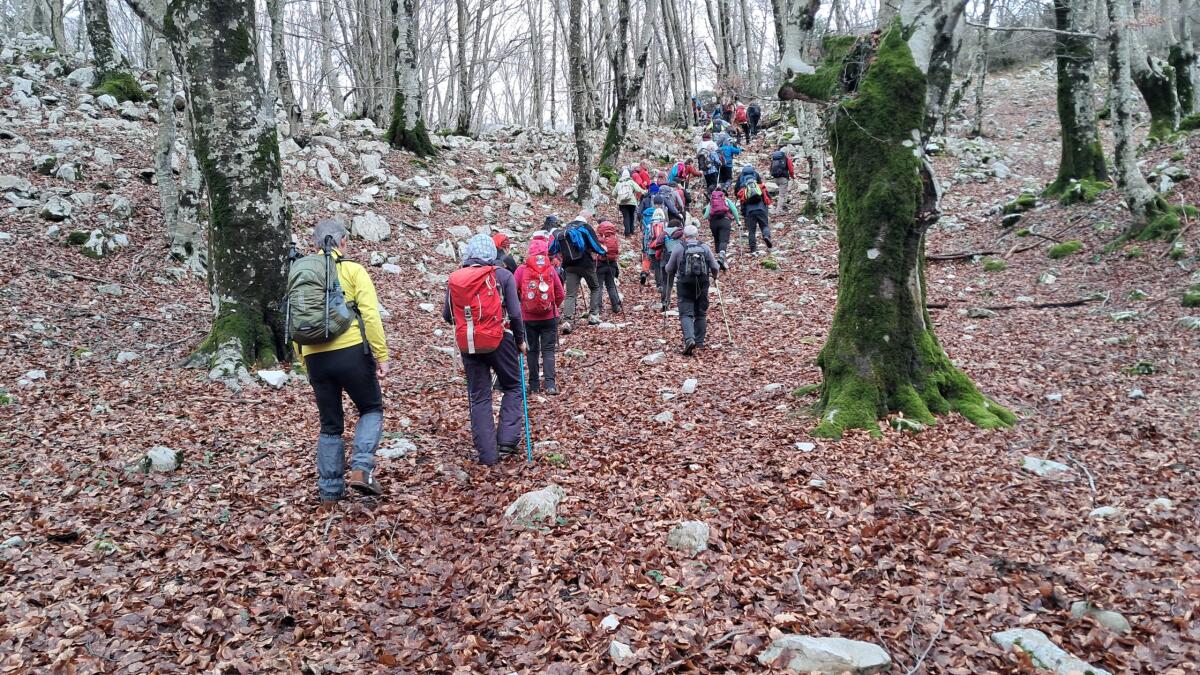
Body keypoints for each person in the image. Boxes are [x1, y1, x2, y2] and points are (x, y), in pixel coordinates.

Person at [297, 219, 389, 506]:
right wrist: (381, 355)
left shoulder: (302, 276)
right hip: (350, 352)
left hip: (314, 356)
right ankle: (361, 468)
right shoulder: (352, 270)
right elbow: (371, 316)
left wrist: (304, 360)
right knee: (371, 408)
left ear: (314, 244)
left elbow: (295, 320)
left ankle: (329, 493)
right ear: (344, 241)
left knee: (330, 424)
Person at [442, 234, 527, 464]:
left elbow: (447, 315)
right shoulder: (502, 275)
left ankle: (487, 455)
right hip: (500, 339)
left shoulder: (456, 279)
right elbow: (516, 313)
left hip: (469, 343)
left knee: (479, 397)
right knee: (513, 386)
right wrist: (520, 340)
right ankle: (507, 442)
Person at [514, 237, 564, 395]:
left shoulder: (522, 269)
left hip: (528, 318)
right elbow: (560, 293)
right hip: (549, 316)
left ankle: (534, 385)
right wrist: (553, 305)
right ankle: (550, 385)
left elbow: (513, 291)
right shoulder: (550, 268)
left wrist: (522, 306)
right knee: (548, 350)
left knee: (532, 350)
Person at [664, 224, 719, 355]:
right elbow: (715, 267)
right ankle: (699, 342)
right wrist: (715, 277)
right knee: (701, 313)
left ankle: (689, 339)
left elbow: (669, 269)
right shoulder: (704, 247)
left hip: (684, 284)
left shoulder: (679, 248)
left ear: (684, 236)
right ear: (697, 235)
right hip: (703, 283)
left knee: (686, 313)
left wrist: (668, 268)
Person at [553, 212, 607, 333]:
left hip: (569, 265)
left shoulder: (566, 229)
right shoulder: (585, 228)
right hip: (585, 264)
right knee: (595, 287)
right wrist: (603, 252)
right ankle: (593, 315)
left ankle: (567, 320)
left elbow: (554, 248)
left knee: (570, 294)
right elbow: (595, 245)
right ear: (586, 218)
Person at [703, 182, 740, 269]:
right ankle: (721, 256)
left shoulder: (712, 201)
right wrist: (738, 221)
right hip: (725, 221)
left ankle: (718, 259)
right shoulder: (726, 200)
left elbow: (705, 215)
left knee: (717, 239)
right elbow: (734, 210)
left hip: (713, 223)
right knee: (723, 240)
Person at [737, 167, 773, 254]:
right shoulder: (760, 186)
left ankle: (753, 249)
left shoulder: (744, 190)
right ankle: (766, 236)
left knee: (751, 231)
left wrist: (744, 214)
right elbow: (768, 198)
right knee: (764, 226)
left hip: (750, 212)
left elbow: (742, 203)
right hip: (761, 209)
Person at [594, 220, 622, 315]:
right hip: (612, 264)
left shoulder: (599, 238)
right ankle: (616, 306)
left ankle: (597, 308)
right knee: (611, 286)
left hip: (600, 265)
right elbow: (617, 251)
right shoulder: (614, 238)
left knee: (599, 287)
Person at [614, 168, 646, 237]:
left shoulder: (618, 183)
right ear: (629, 175)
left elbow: (613, 193)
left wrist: (619, 196)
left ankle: (627, 232)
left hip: (622, 203)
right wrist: (645, 192)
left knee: (626, 216)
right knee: (631, 216)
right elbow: (638, 189)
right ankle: (632, 231)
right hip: (631, 202)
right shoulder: (631, 182)